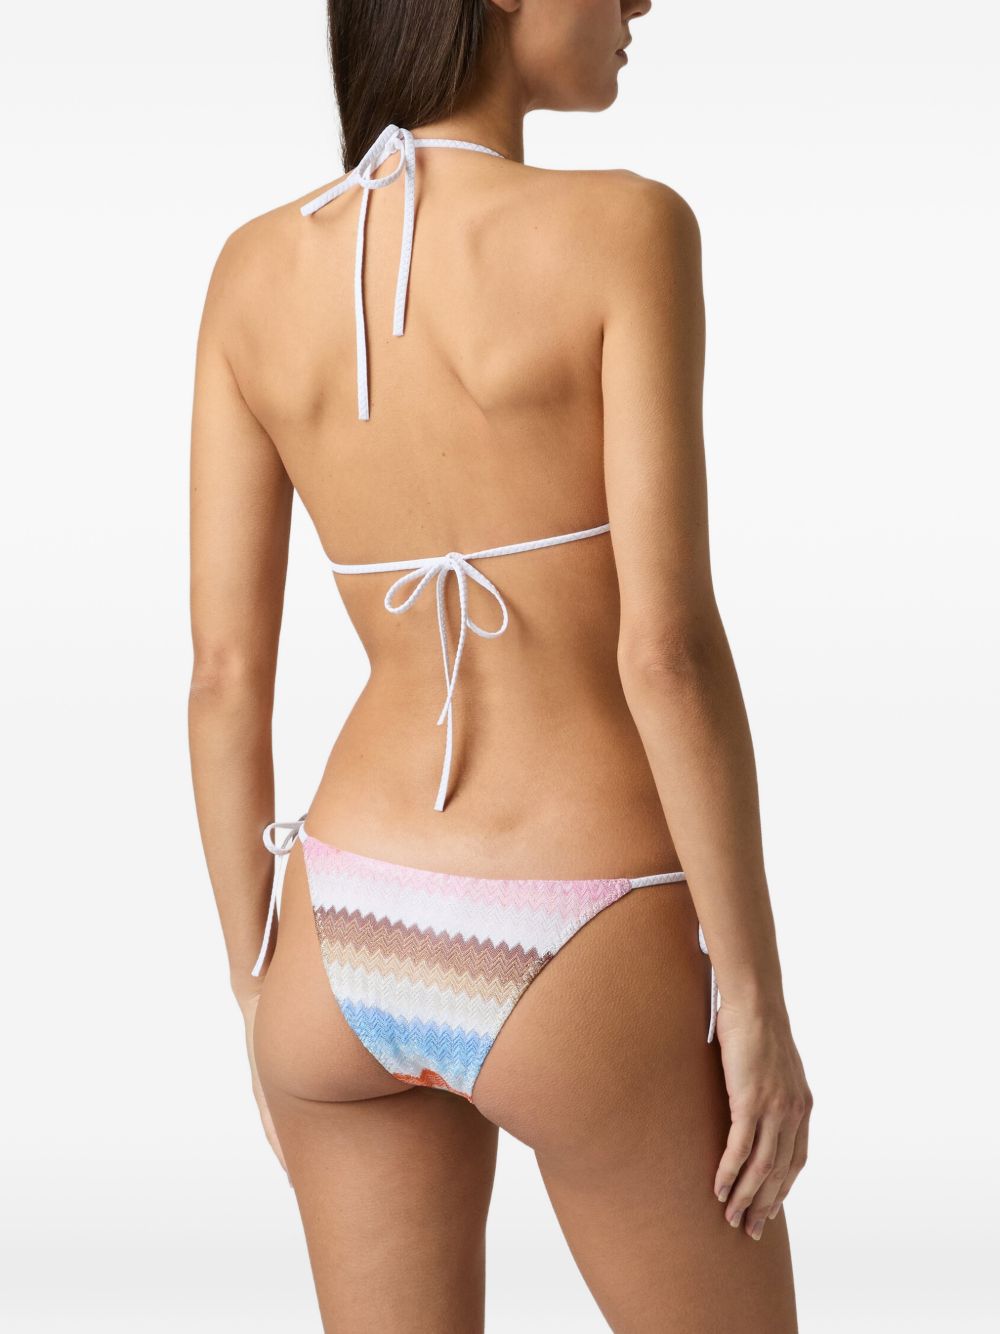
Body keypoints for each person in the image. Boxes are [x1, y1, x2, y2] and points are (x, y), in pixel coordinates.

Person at [188, 1, 812, 1328]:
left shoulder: (252, 270)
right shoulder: (627, 230)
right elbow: (666, 652)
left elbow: (224, 678)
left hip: (338, 936)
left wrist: (256, 984)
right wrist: (755, 999)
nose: (640, 3)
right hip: (583, 921)